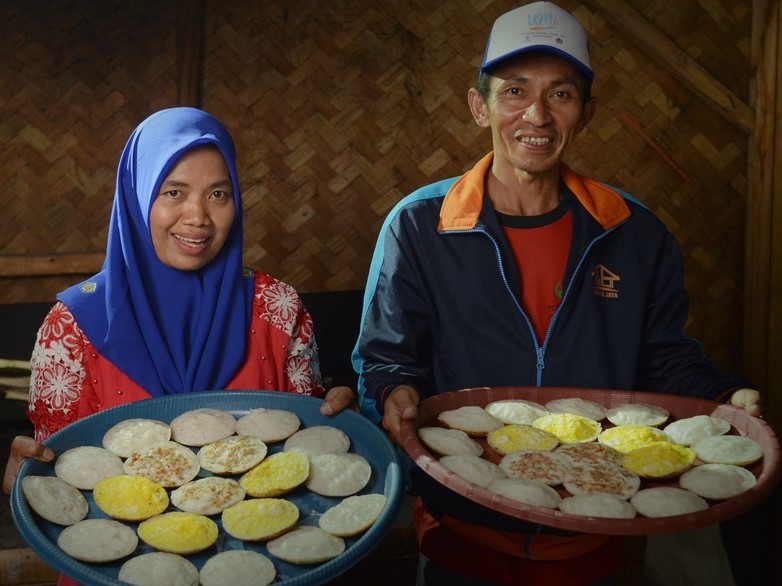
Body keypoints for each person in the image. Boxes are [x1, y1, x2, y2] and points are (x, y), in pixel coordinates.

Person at [352, 2, 761, 585]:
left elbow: (664, 358)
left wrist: (725, 396)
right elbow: (385, 358)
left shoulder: (633, 232)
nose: (536, 115)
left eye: (561, 94)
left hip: (599, 529)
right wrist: (394, 391)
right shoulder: (421, 225)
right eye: (514, 90)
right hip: (463, 535)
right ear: (479, 106)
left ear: (586, 112)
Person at [3, 107, 355, 500]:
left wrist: (343, 428)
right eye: (174, 192)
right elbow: (59, 477)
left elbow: (306, 452)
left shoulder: (278, 309)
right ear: (136, 196)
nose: (199, 217)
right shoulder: (73, 328)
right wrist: (33, 479)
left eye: (218, 194)